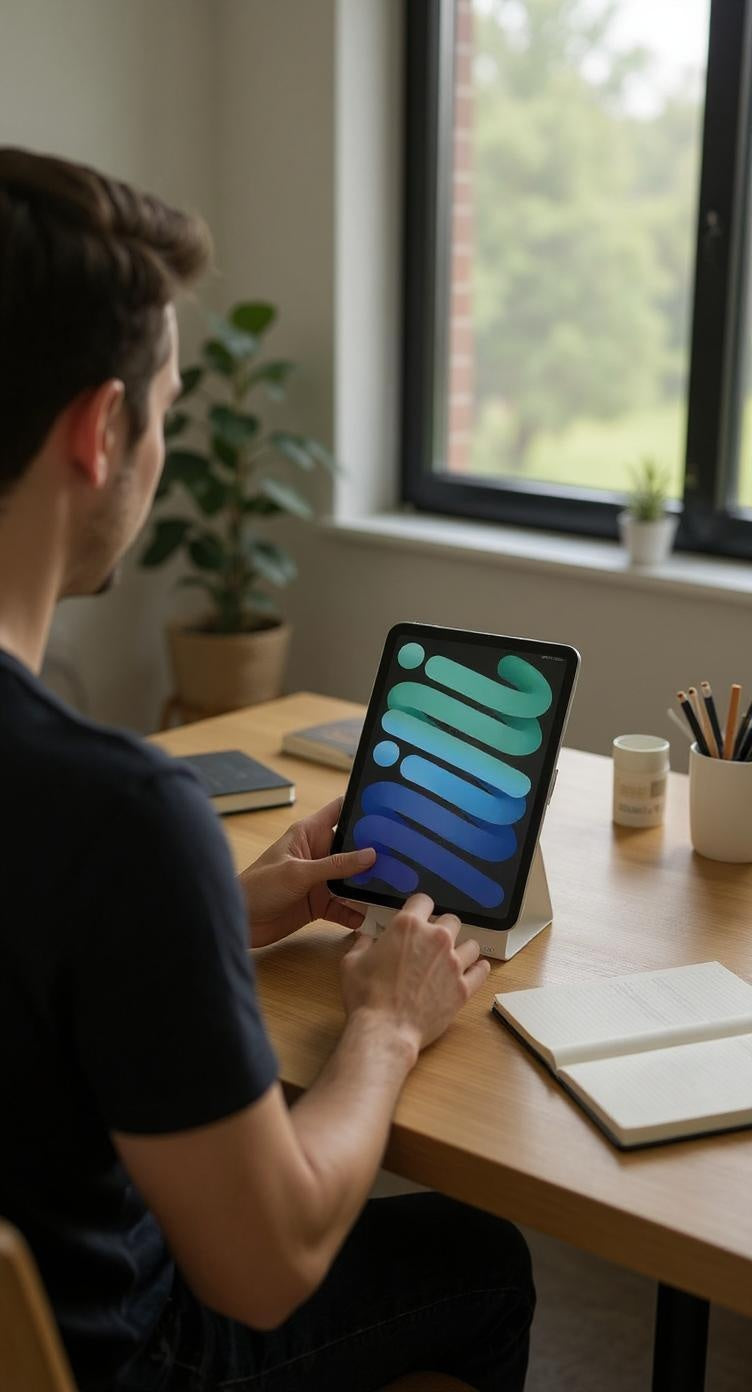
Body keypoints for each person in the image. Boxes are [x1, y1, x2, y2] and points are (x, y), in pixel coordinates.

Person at [0, 148, 535, 1392]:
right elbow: (269, 1264)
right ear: (101, 432)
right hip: (110, 1359)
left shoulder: (93, 835)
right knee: (479, 1262)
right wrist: (387, 1028)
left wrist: (209, 917)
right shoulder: (115, 814)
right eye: (167, 407)